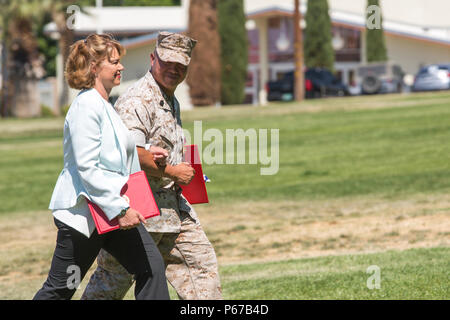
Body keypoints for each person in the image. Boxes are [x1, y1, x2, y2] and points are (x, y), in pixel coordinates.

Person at [81, 32, 222, 300]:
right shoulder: (137, 100)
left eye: (180, 65)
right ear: (152, 58)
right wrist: (173, 172)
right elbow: (131, 152)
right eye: (167, 62)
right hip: (139, 215)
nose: (174, 69)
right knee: (109, 286)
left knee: (202, 269)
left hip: (174, 214)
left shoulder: (169, 98)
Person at [33, 34, 170, 300]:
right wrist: (120, 209)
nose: (121, 67)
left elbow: (113, 149)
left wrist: (142, 150)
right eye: (114, 62)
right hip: (85, 217)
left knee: (151, 268)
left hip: (109, 212)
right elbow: (88, 168)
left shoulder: (103, 104)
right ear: (94, 67)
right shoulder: (86, 106)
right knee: (61, 288)